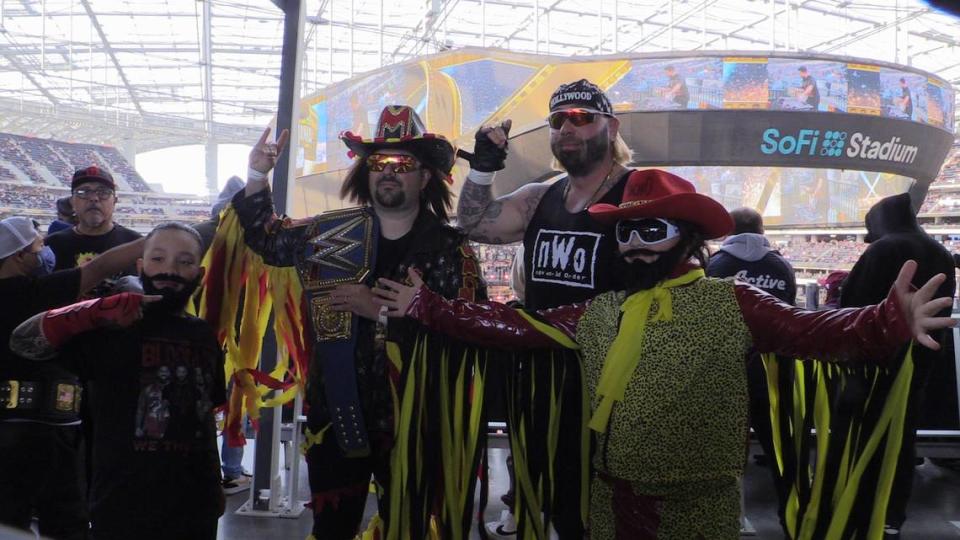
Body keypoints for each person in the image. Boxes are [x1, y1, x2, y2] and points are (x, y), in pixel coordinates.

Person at [374, 169, 955, 539]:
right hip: (611, 504)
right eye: (623, 234)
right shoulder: (601, 313)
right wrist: (431, 308)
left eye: (650, 231)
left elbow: (812, 332)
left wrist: (887, 320)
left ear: (686, 237)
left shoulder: (733, 302)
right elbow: (515, 325)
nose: (633, 245)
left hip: (700, 511)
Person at [209, 105, 488, 539]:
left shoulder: (451, 250)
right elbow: (267, 239)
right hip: (336, 417)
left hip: (417, 421)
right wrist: (257, 174)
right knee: (332, 527)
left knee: (411, 527)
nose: (389, 172)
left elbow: (472, 329)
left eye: (403, 163)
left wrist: (381, 311)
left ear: (426, 176)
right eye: (378, 163)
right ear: (366, 172)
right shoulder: (328, 234)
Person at [457, 78, 634, 538]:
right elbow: (474, 223)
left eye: (581, 118)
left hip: (614, 381)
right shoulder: (544, 195)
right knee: (557, 503)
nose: (567, 129)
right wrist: (482, 170)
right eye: (558, 120)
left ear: (611, 127)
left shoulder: (637, 193)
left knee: (611, 507)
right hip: (544, 379)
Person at [10, 222, 226, 540]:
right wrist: (92, 313)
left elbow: (205, 415)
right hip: (123, 505)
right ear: (140, 266)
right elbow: (23, 342)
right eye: (158, 259)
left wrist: (214, 486)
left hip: (195, 505)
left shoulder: (203, 335)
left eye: (184, 261)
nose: (171, 270)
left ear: (200, 273)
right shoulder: (113, 327)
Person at [0, 216, 143, 540]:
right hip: (45, 428)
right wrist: (156, 242)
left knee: (9, 521)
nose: (45, 253)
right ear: (20, 256)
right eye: (39, 246)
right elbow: (100, 267)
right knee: (65, 520)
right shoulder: (33, 291)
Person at [838, 193, 955, 537]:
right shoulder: (941, 252)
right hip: (920, 361)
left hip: (872, 365)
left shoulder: (882, 250)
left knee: (861, 439)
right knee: (900, 440)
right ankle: (890, 515)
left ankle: (859, 511)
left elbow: (851, 307)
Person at [706, 206, 796, 530]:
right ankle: (793, 518)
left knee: (726, 454)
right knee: (782, 452)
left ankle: (732, 521)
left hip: (728, 373)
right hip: (772, 372)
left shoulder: (715, 265)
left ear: (729, 230)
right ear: (761, 229)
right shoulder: (781, 266)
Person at [46, 166, 142, 297]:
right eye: (83, 192)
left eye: (103, 192)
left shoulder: (136, 245)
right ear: (72, 201)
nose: (94, 198)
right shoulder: (51, 246)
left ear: (115, 201)